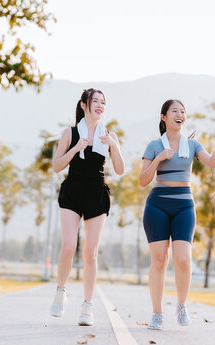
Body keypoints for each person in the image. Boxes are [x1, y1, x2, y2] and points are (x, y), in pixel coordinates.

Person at [139, 99, 215, 330]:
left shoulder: (192, 146)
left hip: (184, 206)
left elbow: (212, 163)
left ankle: (181, 305)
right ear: (164, 117)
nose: (179, 114)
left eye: (182, 111)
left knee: (183, 258)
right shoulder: (154, 145)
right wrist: (159, 159)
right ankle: (157, 312)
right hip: (157, 206)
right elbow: (143, 180)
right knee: (160, 260)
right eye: (174, 111)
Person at [50, 88, 125, 326]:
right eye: (96, 101)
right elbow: (56, 166)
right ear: (84, 105)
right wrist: (75, 148)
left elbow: (121, 169)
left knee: (90, 253)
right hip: (73, 190)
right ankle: (61, 292)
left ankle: (87, 306)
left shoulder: (109, 135)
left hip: (96, 192)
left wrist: (115, 146)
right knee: (69, 245)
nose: (100, 106)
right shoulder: (70, 133)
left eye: (103, 102)